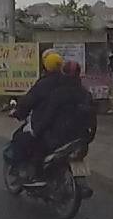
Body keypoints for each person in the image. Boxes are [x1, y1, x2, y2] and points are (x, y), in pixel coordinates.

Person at [9, 50, 75, 180]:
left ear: (46, 66)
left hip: (47, 126)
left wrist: (18, 113)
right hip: (70, 127)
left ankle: (24, 171)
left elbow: (28, 102)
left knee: (19, 138)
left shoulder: (43, 84)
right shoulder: (69, 82)